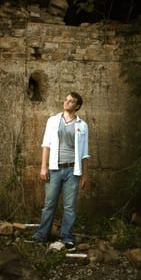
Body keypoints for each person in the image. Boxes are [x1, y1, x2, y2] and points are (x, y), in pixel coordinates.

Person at [32, 92, 89, 252]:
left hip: (73, 170)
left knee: (70, 207)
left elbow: (84, 153)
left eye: (71, 101)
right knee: (49, 204)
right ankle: (42, 234)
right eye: (66, 100)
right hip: (55, 168)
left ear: (77, 106)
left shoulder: (82, 125)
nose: (67, 102)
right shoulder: (53, 121)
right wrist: (43, 166)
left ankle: (67, 238)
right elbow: (46, 144)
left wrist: (85, 174)